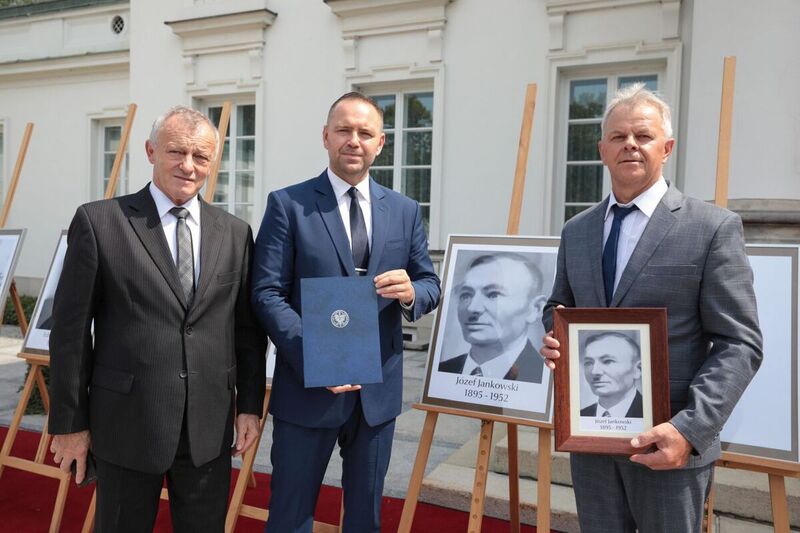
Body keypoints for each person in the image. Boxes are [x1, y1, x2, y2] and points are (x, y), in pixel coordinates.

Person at [540, 84, 762, 532]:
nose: (630, 145)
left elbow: (740, 344)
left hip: (670, 446)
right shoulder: (577, 230)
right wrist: (554, 338)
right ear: (602, 149)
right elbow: (558, 306)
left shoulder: (712, 227)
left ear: (667, 147)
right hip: (592, 442)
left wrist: (690, 429)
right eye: (618, 137)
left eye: (642, 136)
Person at [48, 106, 267, 532]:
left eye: (201, 157)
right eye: (177, 152)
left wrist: (250, 406)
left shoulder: (236, 233)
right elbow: (71, 335)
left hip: (208, 427)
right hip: (127, 424)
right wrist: (70, 425)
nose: (189, 166)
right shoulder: (100, 222)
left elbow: (246, 330)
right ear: (150, 151)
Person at [251, 92, 440, 532]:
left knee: (364, 521)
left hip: (376, 395)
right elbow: (265, 293)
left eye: (365, 132)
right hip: (307, 391)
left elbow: (430, 284)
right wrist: (319, 356)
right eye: (343, 130)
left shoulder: (405, 211)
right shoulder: (288, 204)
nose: (353, 140)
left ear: (380, 143)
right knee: (290, 518)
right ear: (325, 137)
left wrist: (413, 292)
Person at [438, 253, 545, 383]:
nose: (472, 308)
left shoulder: (544, 381)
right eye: (466, 295)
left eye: (493, 295)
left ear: (535, 309)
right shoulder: (442, 373)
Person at [579, 332, 642, 418]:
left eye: (608, 361)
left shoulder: (651, 415)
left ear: (637, 370)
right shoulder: (579, 417)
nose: (595, 371)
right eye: (589, 363)